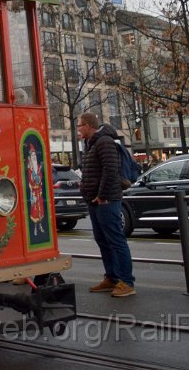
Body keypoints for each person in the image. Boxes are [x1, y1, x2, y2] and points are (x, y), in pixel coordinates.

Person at [78, 112, 135, 298]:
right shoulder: (91, 144)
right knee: (103, 240)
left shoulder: (104, 142)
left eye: (79, 125)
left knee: (116, 241)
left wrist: (102, 195)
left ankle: (126, 282)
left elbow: (111, 170)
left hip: (106, 200)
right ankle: (112, 277)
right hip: (95, 200)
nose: (77, 129)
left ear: (87, 125)